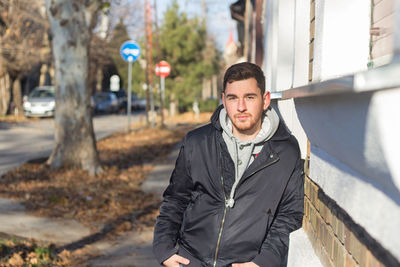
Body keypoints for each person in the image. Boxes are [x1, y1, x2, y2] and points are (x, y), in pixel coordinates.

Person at [153, 62, 304, 267]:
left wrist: (264, 261)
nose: (241, 107)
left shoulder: (286, 151)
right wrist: (164, 250)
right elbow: (175, 199)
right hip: (189, 259)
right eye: (233, 98)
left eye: (249, 97)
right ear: (224, 100)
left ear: (265, 100)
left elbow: (288, 215)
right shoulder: (197, 142)